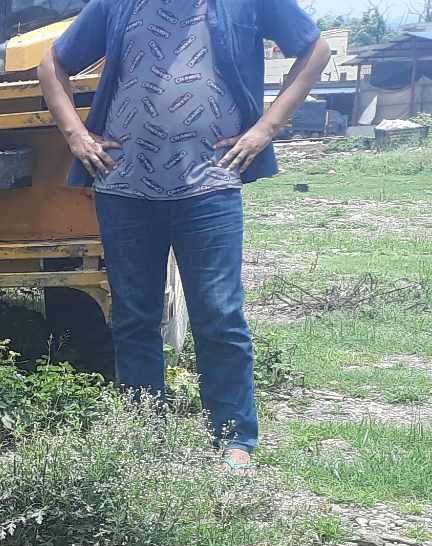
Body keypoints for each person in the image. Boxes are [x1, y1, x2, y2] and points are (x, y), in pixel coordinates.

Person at [38, 0, 329, 474]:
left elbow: (316, 48)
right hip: (124, 184)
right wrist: (76, 135)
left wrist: (264, 130)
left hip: (210, 184)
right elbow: (52, 62)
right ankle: (146, 434)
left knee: (219, 313)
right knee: (134, 316)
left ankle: (234, 439)